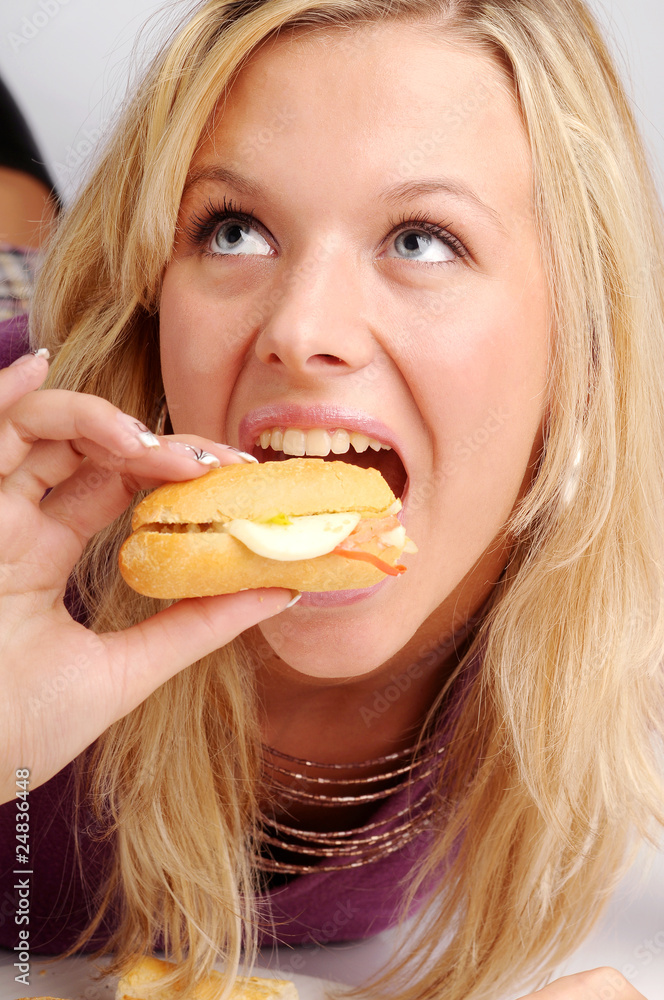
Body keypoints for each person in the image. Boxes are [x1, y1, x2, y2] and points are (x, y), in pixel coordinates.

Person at [0, 1, 663, 998]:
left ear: (580, 334)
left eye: (421, 240)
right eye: (233, 228)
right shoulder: (21, 504)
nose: (302, 328)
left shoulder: (618, 611)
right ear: (152, 292)